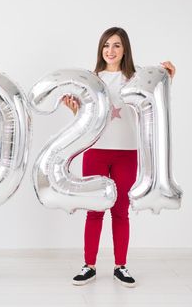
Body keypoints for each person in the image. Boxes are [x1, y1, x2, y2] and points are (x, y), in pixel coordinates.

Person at [63, 27, 175, 287]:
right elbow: (86, 116)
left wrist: (169, 77)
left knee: (120, 211)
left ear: (125, 49)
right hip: (95, 151)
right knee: (95, 210)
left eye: (116, 45)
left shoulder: (135, 78)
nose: (110, 51)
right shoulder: (91, 78)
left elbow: (156, 97)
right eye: (106, 46)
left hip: (127, 152)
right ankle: (88, 265)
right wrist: (74, 109)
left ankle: (120, 266)